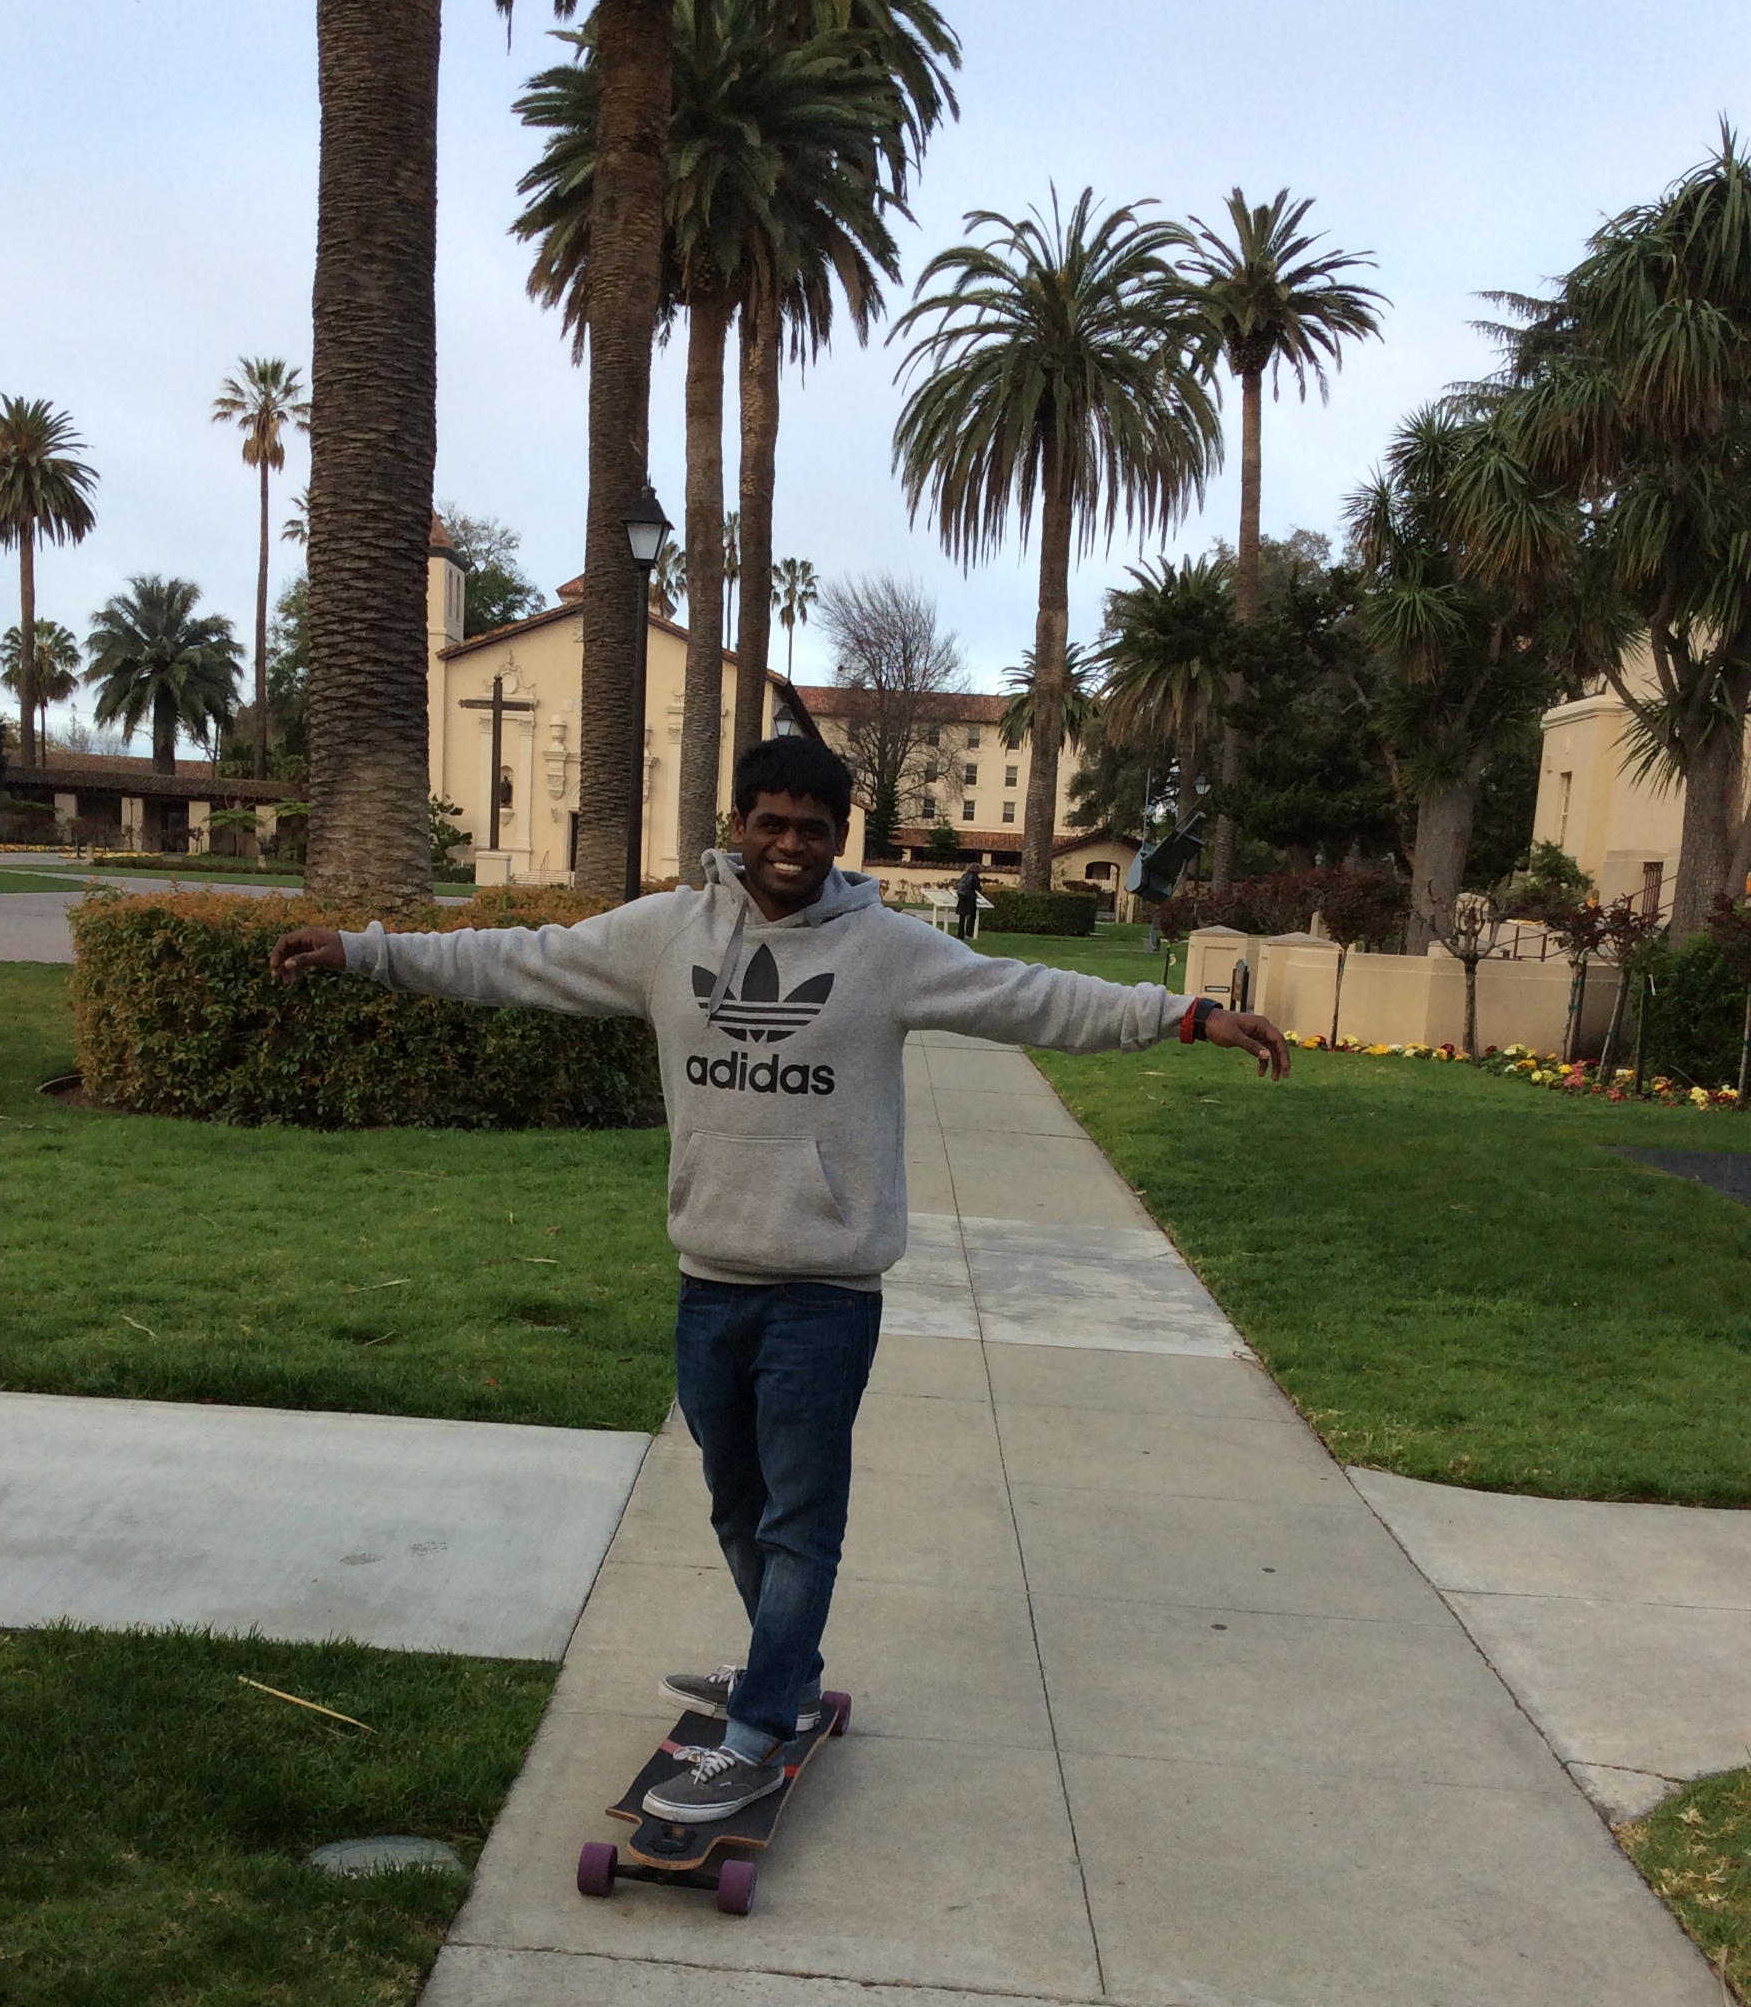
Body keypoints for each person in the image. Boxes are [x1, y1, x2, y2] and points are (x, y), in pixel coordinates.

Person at [270, 737, 1287, 1824]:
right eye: (771, 822)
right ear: (738, 824)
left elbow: (1026, 996)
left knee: (800, 1519)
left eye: (812, 827)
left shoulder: (886, 950)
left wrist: (1181, 1014)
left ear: (838, 836)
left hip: (824, 1292)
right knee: (734, 1502)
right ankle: (784, 1673)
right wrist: (365, 950)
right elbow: (518, 959)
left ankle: (758, 1727)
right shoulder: (666, 935)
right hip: (709, 1277)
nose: (790, 844)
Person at [953, 858, 983, 942]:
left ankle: (960, 934)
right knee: (972, 916)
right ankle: (969, 934)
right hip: (970, 898)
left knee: (962, 917)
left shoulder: (964, 875)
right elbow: (977, 888)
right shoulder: (975, 877)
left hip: (962, 897)